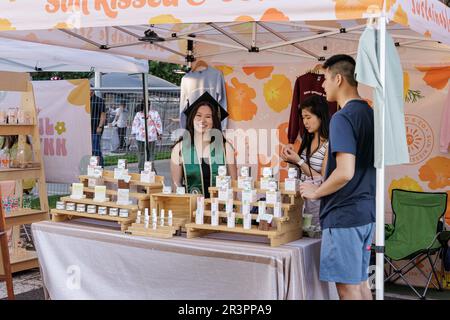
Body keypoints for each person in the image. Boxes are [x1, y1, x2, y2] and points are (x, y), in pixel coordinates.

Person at [299, 54, 375, 300]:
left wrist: (315, 191)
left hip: (345, 215)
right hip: (365, 213)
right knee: (361, 284)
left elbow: (345, 171)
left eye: (325, 79)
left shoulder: (342, 117)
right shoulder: (369, 113)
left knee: (347, 288)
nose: (322, 85)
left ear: (339, 79)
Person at [171, 92, 236, 197]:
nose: (202, 120)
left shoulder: (225, 148)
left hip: (220, 210)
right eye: (198, 115)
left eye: (208, 117)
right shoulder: (180, 148)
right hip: (191, 209)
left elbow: (233, 184)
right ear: (192, 119)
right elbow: (176, 184)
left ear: (214, 120)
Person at [281, 95, 330, 227]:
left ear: (320, 116)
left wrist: (299, 161)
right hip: (300, 202)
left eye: (308, 117)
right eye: (303, 118)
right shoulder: (307, 140)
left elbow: (322, 178)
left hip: (316, 203)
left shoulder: (329, 145)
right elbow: (300, 169)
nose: (305, 122)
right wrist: (291, 159)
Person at [131, 101, 162, 172]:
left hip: (140, 137)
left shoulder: (138, 114)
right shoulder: (155, 113)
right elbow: (158, 123)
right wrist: (159, 133)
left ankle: (141, 169)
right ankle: (150, 169)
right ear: (150, 105)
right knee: (151, 153)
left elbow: (135, 125)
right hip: (152, 136)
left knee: (141, 153)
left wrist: (134, 133)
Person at [90, 89, 106, 167]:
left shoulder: (99, 100)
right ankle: (93, 165)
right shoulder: (85, 100)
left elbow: (103, 114)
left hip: (95, 128)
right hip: (87, 128)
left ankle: (100, 165)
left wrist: (100, 126)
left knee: (95, 148)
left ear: (92, 91)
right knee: (91, 148)